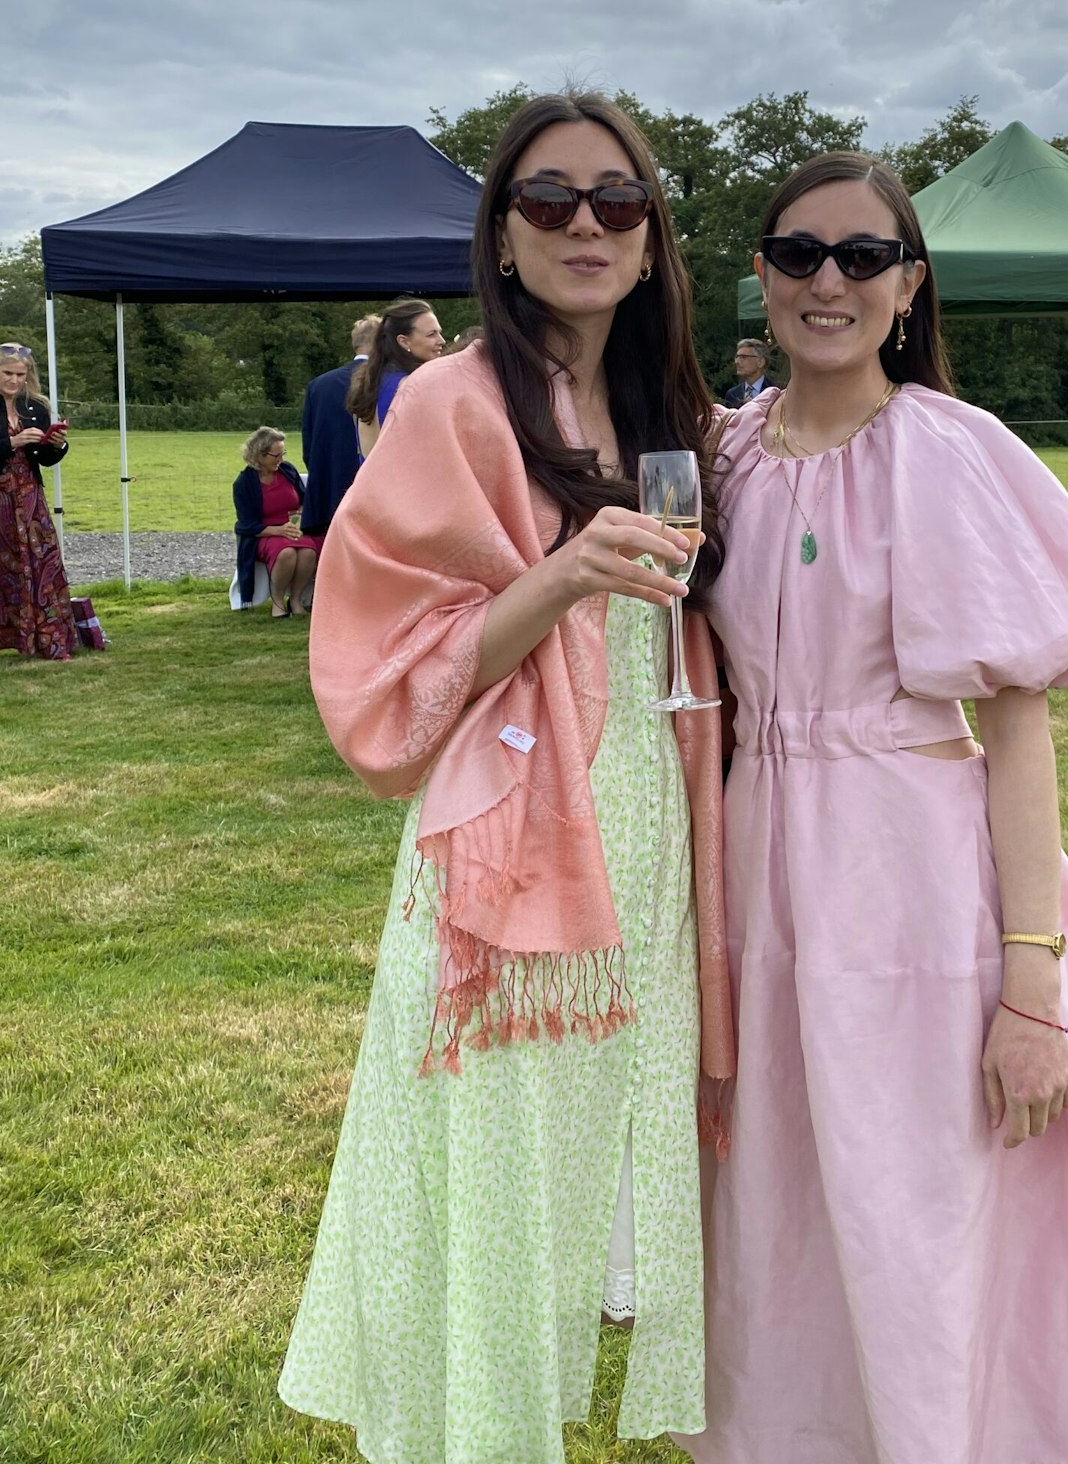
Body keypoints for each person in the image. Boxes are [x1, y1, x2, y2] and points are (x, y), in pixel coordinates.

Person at [677, 154, 1068, 1464]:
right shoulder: (714, 455)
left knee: (921, 1225)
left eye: (861, 257)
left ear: (909, 286)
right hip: (756, 882)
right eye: (799, 255)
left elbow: (1017, 731)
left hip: (914, 893)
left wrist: (1031, 987)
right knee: (780, 1217)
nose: (828, 282)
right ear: (763, 277)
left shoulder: (954, 456)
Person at [280, 92, 735, 1464]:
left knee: (595, 1147)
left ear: (654, 239)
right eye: (549, 200)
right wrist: (561, 578)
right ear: (505, 236)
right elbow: (381, 664)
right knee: (488, 1155)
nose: (585, 224)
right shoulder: (452, 403)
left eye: (616, 200)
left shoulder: (674, 405)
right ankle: (473, 1431)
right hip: (512, 839)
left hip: (652, 819)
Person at [0, 340, 78, 661]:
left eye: (20, 374)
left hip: (30, 495)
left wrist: (56, 444)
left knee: (42, 562)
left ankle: (49, 639)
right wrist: (13, 441)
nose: (14, 380)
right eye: (7, 373)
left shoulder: (35, 406)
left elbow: (44, 458)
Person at [299, 313, 379, 536]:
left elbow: (309, 444)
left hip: (329, 487)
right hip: (372, 491)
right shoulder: (384, 381)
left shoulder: (319, 385)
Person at [233, 427, 323, 618]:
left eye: (283, 454)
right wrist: (278, 530)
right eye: (276, 455)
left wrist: (301, 513)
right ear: (260, 455)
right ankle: (278, 600)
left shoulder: (287, 470)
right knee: (286, 553)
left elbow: (303, 499)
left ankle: (297, 600)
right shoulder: (244, 484)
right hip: (264, 533)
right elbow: (246, 524)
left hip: (292, 529)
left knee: (308, 551)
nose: (280, 459)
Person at [346, 300, 447, 459]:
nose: (441, 341)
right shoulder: (411, 386)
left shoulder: (371, 380)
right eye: (431, 334)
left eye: (439, 332)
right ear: (403, 341)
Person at [721, 336, 779, 408]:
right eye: (737, 357)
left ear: (760, 362)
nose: (737, 362)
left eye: (743, 357)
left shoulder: (776, 393)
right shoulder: (732, 394)